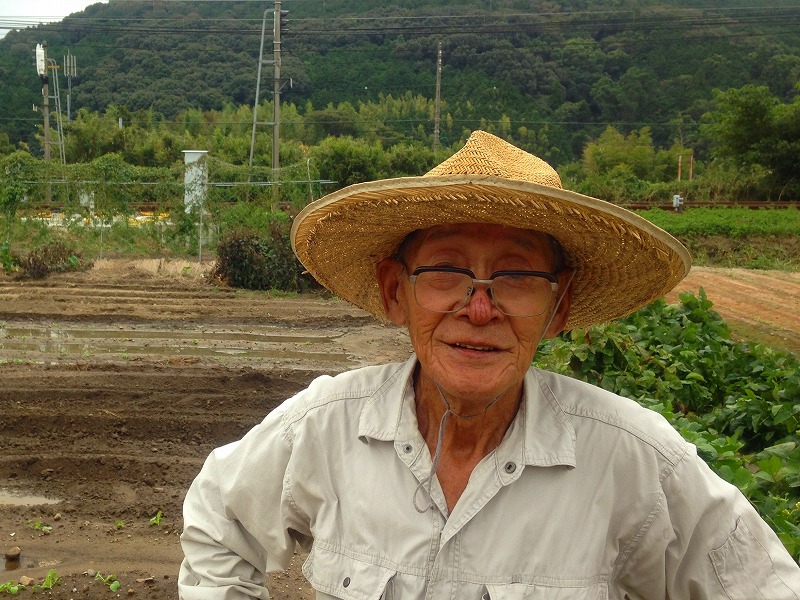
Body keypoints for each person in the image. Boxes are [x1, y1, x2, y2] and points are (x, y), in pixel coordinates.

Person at [179, 131, 800, 599]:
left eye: (518, 276)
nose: (479, 309)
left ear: (559, 306)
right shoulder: (326, 427)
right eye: (446, 270)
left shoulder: (632, 458)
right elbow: (218, 520)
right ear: (396, 292)